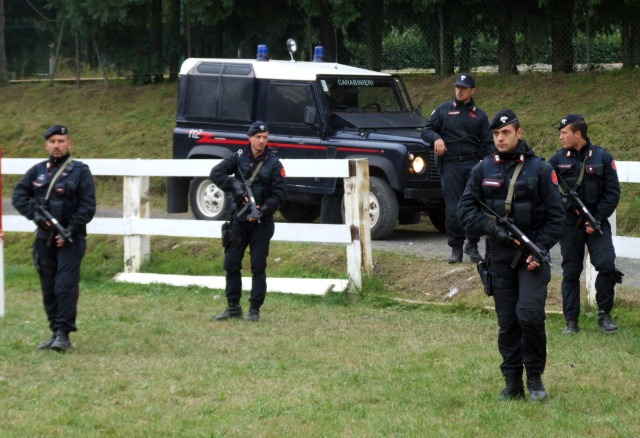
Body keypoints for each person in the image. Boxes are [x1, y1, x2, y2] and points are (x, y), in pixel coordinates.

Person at [458, 109, 564, 402]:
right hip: (500, 258)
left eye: (505, 133)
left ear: (519, 132)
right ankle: (512, 383)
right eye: (495, 134)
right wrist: (492, 229)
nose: (500, 138)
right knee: (507, 323)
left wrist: (540, 249)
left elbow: (557, 216)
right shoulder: (482, 170)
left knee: (529, 316)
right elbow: (465, 210)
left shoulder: (540, 170)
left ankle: (535, 378)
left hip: (531, 258)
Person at [11, 125, 96, 352]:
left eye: (61, 141)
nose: (56, 145)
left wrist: (70, 229)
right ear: (47, 145)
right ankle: (53, 330)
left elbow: (88, 205)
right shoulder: (38, 171)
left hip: (70, 238)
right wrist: (37, 216)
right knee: (48, 287)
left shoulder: (80, 171)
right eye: (52, 142)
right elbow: (18, 195)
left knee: (64, 286)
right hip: (44, 239)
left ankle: (63, 334)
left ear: (69, 143)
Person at [548, 114, 622, 335]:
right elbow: (547, 191)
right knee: (571, 271)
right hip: (570, 224)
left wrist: (597, 218)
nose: (561, 137)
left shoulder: (602, 157)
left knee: (607, 265)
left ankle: (604, 315)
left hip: (596, 221)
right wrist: (566, 205)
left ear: (577, 134)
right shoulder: (556, 159)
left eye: (564, 133)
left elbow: (612, 193)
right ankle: (571, 321)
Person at [210, 121, 287, 322]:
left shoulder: (274, 164)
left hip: (262, 222)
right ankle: (233, 307)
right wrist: (233, 186)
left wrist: (263, 209)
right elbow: (216, 173)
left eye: (265, 137)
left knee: (258, 265)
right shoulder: (238, 157)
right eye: (258, 137)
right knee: (231, 263)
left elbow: (280, 196)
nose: (262, 141)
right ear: (250, 138)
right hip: (239, 220)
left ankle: (254, 309)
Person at [422, 72, 494, 264]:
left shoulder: (479, 115)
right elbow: (426, 130)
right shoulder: (443, 110)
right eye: (457, 87)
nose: (459, 91)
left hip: (472, 165)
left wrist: (485, 165)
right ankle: (456, 247)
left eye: (463, 88)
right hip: (451, 164)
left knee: (473, 205)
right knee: (453, 207)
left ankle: (472, 243)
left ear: (473, 90)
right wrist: (436, 138)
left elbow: (488, 144)